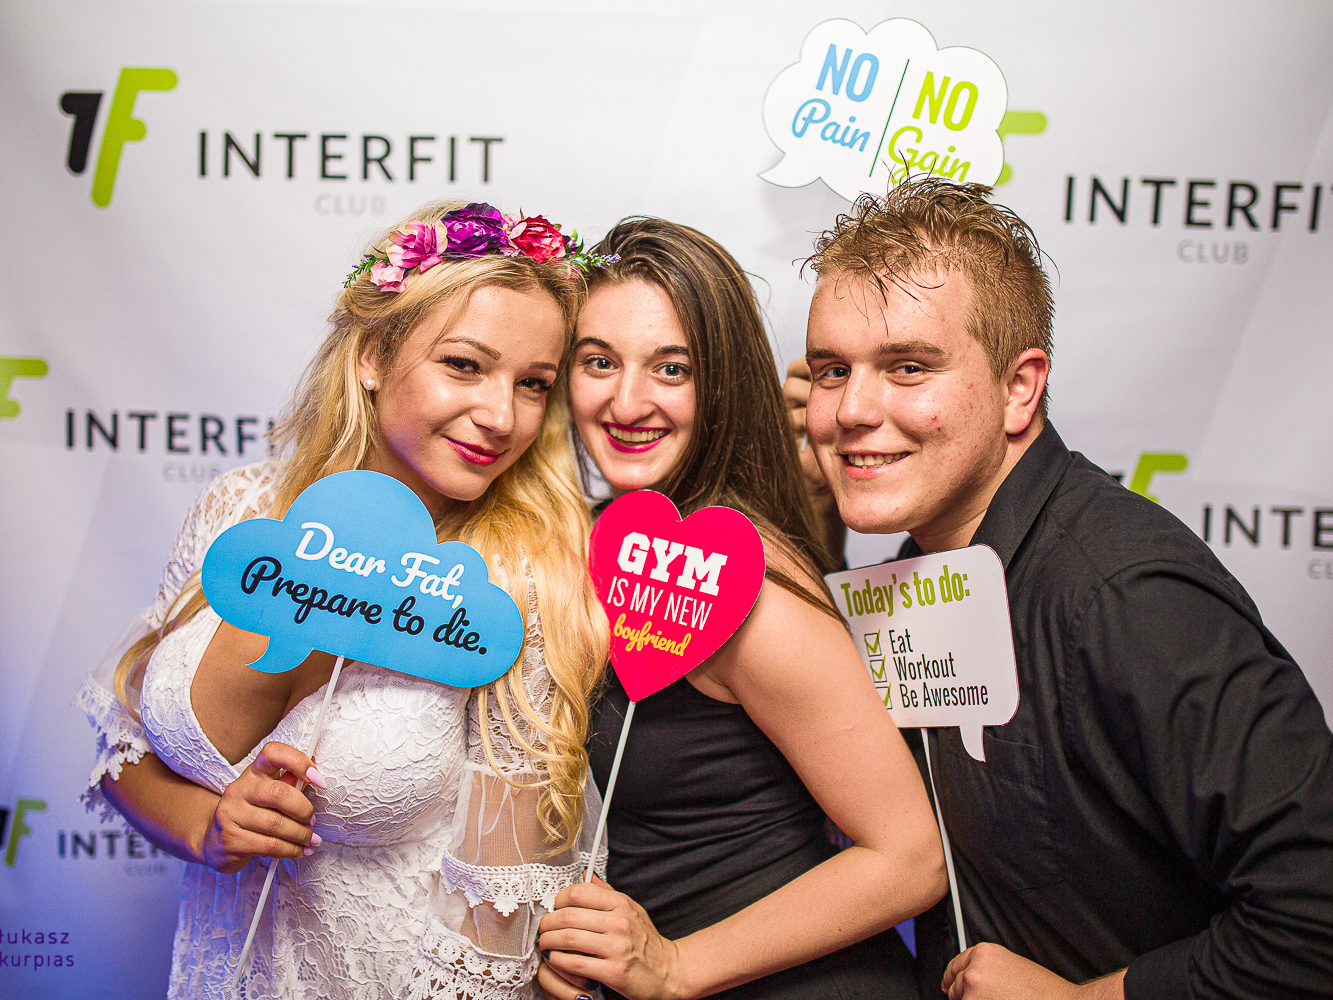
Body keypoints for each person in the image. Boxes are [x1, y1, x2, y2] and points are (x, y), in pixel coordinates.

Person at [784, 176, 1333, 999]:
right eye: (833, 370)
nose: (852, 409)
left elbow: (1315, 916)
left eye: (908, 367)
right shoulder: (918, 572)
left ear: (1019, 388)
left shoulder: (1121, 594)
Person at [76, 202, 615, 999]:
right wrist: (209, 827)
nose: (502, 417)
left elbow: (499, 907)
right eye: (464, 365)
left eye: (532, 384)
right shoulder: (239, 511)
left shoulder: (518, 579)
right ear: (371, 355)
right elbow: (125, 757)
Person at [535, 217, 947, 1000]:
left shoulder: (748, 586)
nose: (627, 401)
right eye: (599, 362)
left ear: (722, 381)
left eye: (671, 368)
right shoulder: (598, 539)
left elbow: (909, 857)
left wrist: (674, 966)